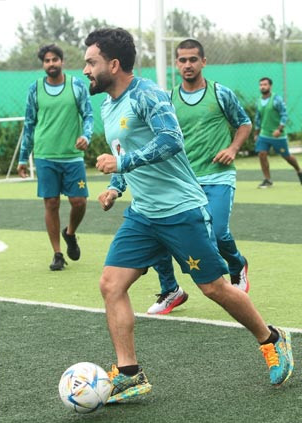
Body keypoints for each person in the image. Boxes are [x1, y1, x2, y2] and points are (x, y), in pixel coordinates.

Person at [84, 28, 293, 403]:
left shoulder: (147, 94)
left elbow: (170, 140)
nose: (85, 70)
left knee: (214, 288)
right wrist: (117, 185)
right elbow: (122, 150)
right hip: (143, 215)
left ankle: (273, 339)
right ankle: (130, 373)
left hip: (182, 211)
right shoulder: (107, 105)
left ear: (113, 65)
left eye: (91, 62)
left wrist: (124, 161)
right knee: (111, 285)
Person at [147, 39, 252, 315]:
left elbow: (244, 123)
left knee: (216, 233)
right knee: (159, 233)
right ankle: (171, 289)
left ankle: (237, 264)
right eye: (182, 60)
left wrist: (232, 148)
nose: (187, 65)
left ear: (203, 62)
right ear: (176, 64)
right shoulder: (167, 100)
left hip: (218, 176)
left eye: (193, 59)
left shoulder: (220, 94)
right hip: (182, 181)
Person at [17, 44, 93, 271]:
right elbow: (29, 123)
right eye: (47, 60)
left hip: (72, 156)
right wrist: (23, 157)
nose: (51, 64)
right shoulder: (35, 88)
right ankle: (58, 253)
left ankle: (70, 233)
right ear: (43, 64)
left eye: (55, 60)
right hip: (45, 154)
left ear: (62, 61)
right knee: (51, 203)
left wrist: (86, 136)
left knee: (78, 201)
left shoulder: (76, 85)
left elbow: (88, 114)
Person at [254, 77, 302, 188]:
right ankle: (267, 179)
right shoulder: (259, 101)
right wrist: (256, 133)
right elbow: (257, 118)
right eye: (261, 84)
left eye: (265, 84)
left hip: (278, 135)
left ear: (270, 86)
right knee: (262, 154)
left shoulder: (277, 99)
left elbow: (284, 115)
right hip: (264, 134)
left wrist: (279, 129)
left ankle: (299, 170)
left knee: (287, 156)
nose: (262, 86)